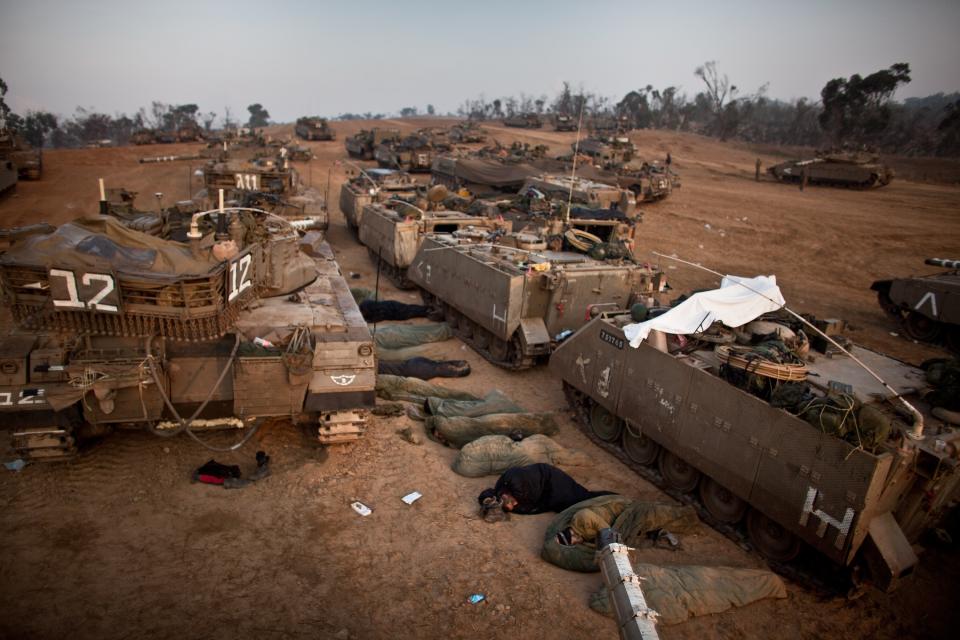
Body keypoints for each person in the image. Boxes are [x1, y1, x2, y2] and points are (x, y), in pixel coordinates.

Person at [477, 463, 612, 515]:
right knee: (576, 507)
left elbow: (533, 504)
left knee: (582, 499)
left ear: (505, 496)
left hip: (551, 480)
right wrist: (486, 499)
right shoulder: (503, 490)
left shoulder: (514, 483)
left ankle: (614, 498)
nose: (516, 504)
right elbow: (488, 494)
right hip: (546, 488)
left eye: (512, 502)